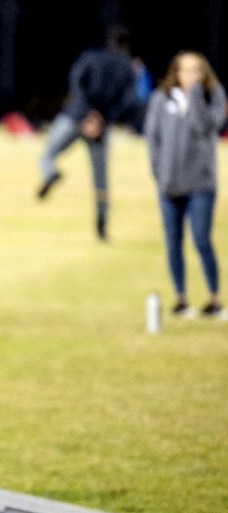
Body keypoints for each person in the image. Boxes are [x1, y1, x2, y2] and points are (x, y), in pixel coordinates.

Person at [36, 23, 138, 240]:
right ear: (126, 45)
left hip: (74, 117)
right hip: (101, 126)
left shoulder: (91, 56)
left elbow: (76, 82)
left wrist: (86, 113)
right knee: (101, 178)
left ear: (108, 40)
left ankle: (50, 173)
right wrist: (101, 118)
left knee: (48, 154)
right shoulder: (128, 66)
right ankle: (102, 223)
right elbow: (129, 99)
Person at [143, 51, 225, 318]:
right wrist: (159, 171)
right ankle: (181, 298)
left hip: (201, 183)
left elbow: (205, 127)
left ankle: (214, 298)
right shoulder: (160, 98)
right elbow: (152, 137)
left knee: (201, 239)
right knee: (173, 242)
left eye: (196, 70)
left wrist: (196, 96)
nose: (191, 75)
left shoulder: (214, 96)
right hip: (169, 184)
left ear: (204, 73)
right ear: (175, 72)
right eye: (186, 70)